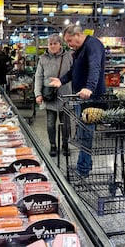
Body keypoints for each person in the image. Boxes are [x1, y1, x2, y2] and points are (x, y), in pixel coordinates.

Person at [49, 25, 106, 176]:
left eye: (70, 41)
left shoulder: (93, 45)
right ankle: (85, 164)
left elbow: (95, 67)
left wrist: (89, 88)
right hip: (82, 97)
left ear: (78, 34)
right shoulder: (79, 50)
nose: (69, 45)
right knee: (83, 133)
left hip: (90, 98)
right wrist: (61, 81)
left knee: (86, 133)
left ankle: (83, 169)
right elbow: (74, 71)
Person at [34, 33, 72, 157]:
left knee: (66, 123)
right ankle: (53, 146)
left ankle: (65, 145)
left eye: (55, 43)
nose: (52, 46)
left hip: (65, 95)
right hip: (49, 95)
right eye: (50, 44)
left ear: (60, 44)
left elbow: (75, 74)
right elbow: (38, 77)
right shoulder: (43, 58)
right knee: (50, 123)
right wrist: (37, 94)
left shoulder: (69, 56)